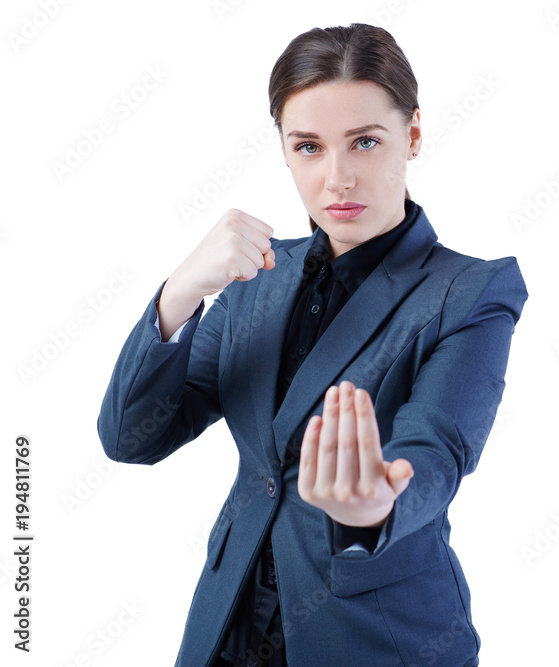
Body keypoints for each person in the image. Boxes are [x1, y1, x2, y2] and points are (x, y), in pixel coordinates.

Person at [97, 23, 528, 666]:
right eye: (308, 147)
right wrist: (179, 293)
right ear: (284, 150)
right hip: (230, 625)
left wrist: (378, 502)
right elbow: (133, 437)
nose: (337, 179)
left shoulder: (470, 291)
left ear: (411, 135)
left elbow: (438, 447)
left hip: (374, 638)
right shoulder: (254, 280)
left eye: (364, 142)